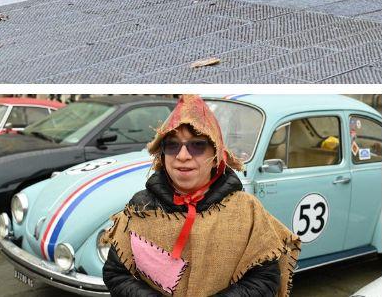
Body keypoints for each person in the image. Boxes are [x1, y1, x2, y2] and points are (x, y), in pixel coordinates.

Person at [101, 95, 300, 296]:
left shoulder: (246, 211)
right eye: (172, 145)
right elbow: (116, 274)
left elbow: (265, 278)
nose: (182, 156)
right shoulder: (141, 208)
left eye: (197, 145)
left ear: (216, 156)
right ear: (162, 154)